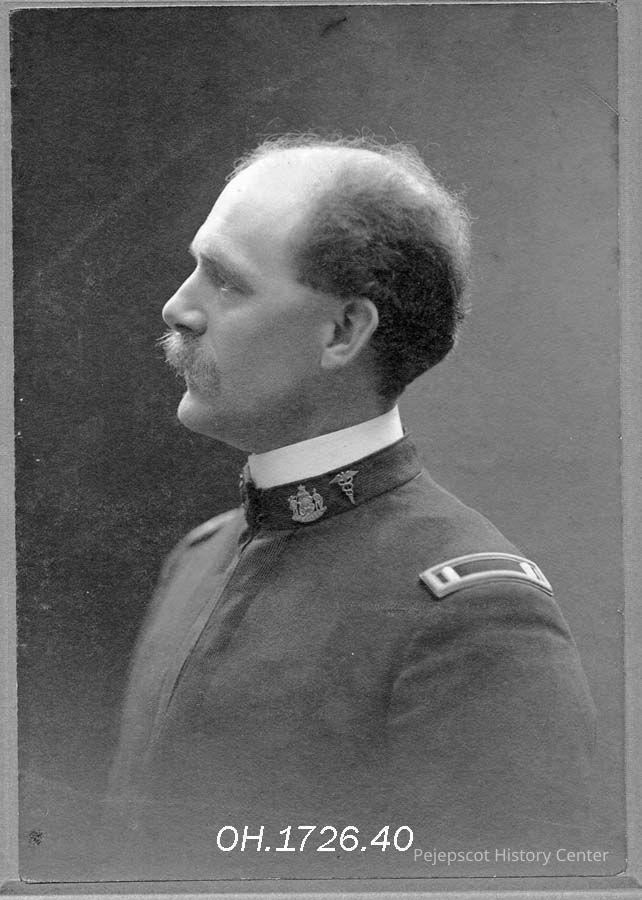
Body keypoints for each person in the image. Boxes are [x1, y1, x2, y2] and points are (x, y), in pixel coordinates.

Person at [106, 134, 597, 879]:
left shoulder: (471, 615)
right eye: (195, 268)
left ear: (343, 332)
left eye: (227, 282)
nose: (179, 307)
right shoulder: (197, 561)